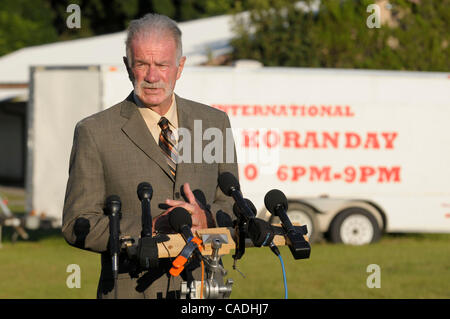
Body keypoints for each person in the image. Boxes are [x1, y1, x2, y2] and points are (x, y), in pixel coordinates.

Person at [62, 13, 238, 299]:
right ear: (128, 67)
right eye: (142, 64)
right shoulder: (94, 132)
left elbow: (232, 206)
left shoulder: (214, 123)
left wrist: (206, 219)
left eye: (162, 65)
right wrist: (151, 228)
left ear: (180, 67)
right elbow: (76, 223)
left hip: (203, 290)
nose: (152, 76)